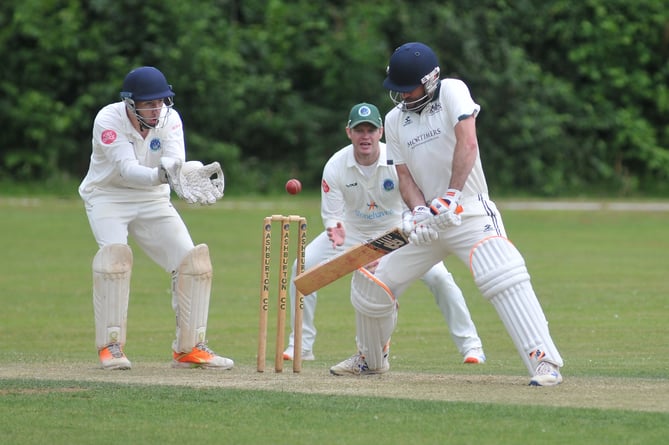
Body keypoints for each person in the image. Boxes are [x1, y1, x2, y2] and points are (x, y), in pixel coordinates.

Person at [330, 43, 564, 386]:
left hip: (467, 209)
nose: (399, 94)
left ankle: (544, 361)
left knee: (501, 271)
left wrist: (452, 195)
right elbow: (405, 176)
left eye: (405, 87)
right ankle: (371, 359)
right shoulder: (394, 120)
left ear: (429, 80)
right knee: (371, 280)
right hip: (428, 222)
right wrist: (421, 210)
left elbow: (468, 143)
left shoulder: (453, 91)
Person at [283, 102, 486, 365]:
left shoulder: (396, 159)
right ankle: (300, 345)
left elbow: (413, 206)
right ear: (349, 132)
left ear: (380, 132)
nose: (365, 136)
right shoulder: (335, 165)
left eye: (370, 130)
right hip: (352, 232)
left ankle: (471, 346)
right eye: (359, 130)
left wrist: (389, 244)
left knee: (439, 278)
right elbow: (333, 216)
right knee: (303, 267)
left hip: (397, 231)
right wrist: (335, 230)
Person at [79, 66, 232, 370]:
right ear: (130, 103)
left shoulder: (170, 119)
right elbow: (127, 170)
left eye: (160, 102)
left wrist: (182, 174)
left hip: (153, 198)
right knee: (114, 261)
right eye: (148, 103)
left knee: (193, 263)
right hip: (108, 196)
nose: (156, 109)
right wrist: (163, 174)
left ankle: (189, 349)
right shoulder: (108, 120)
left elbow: (175, 161)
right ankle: (111, 346)